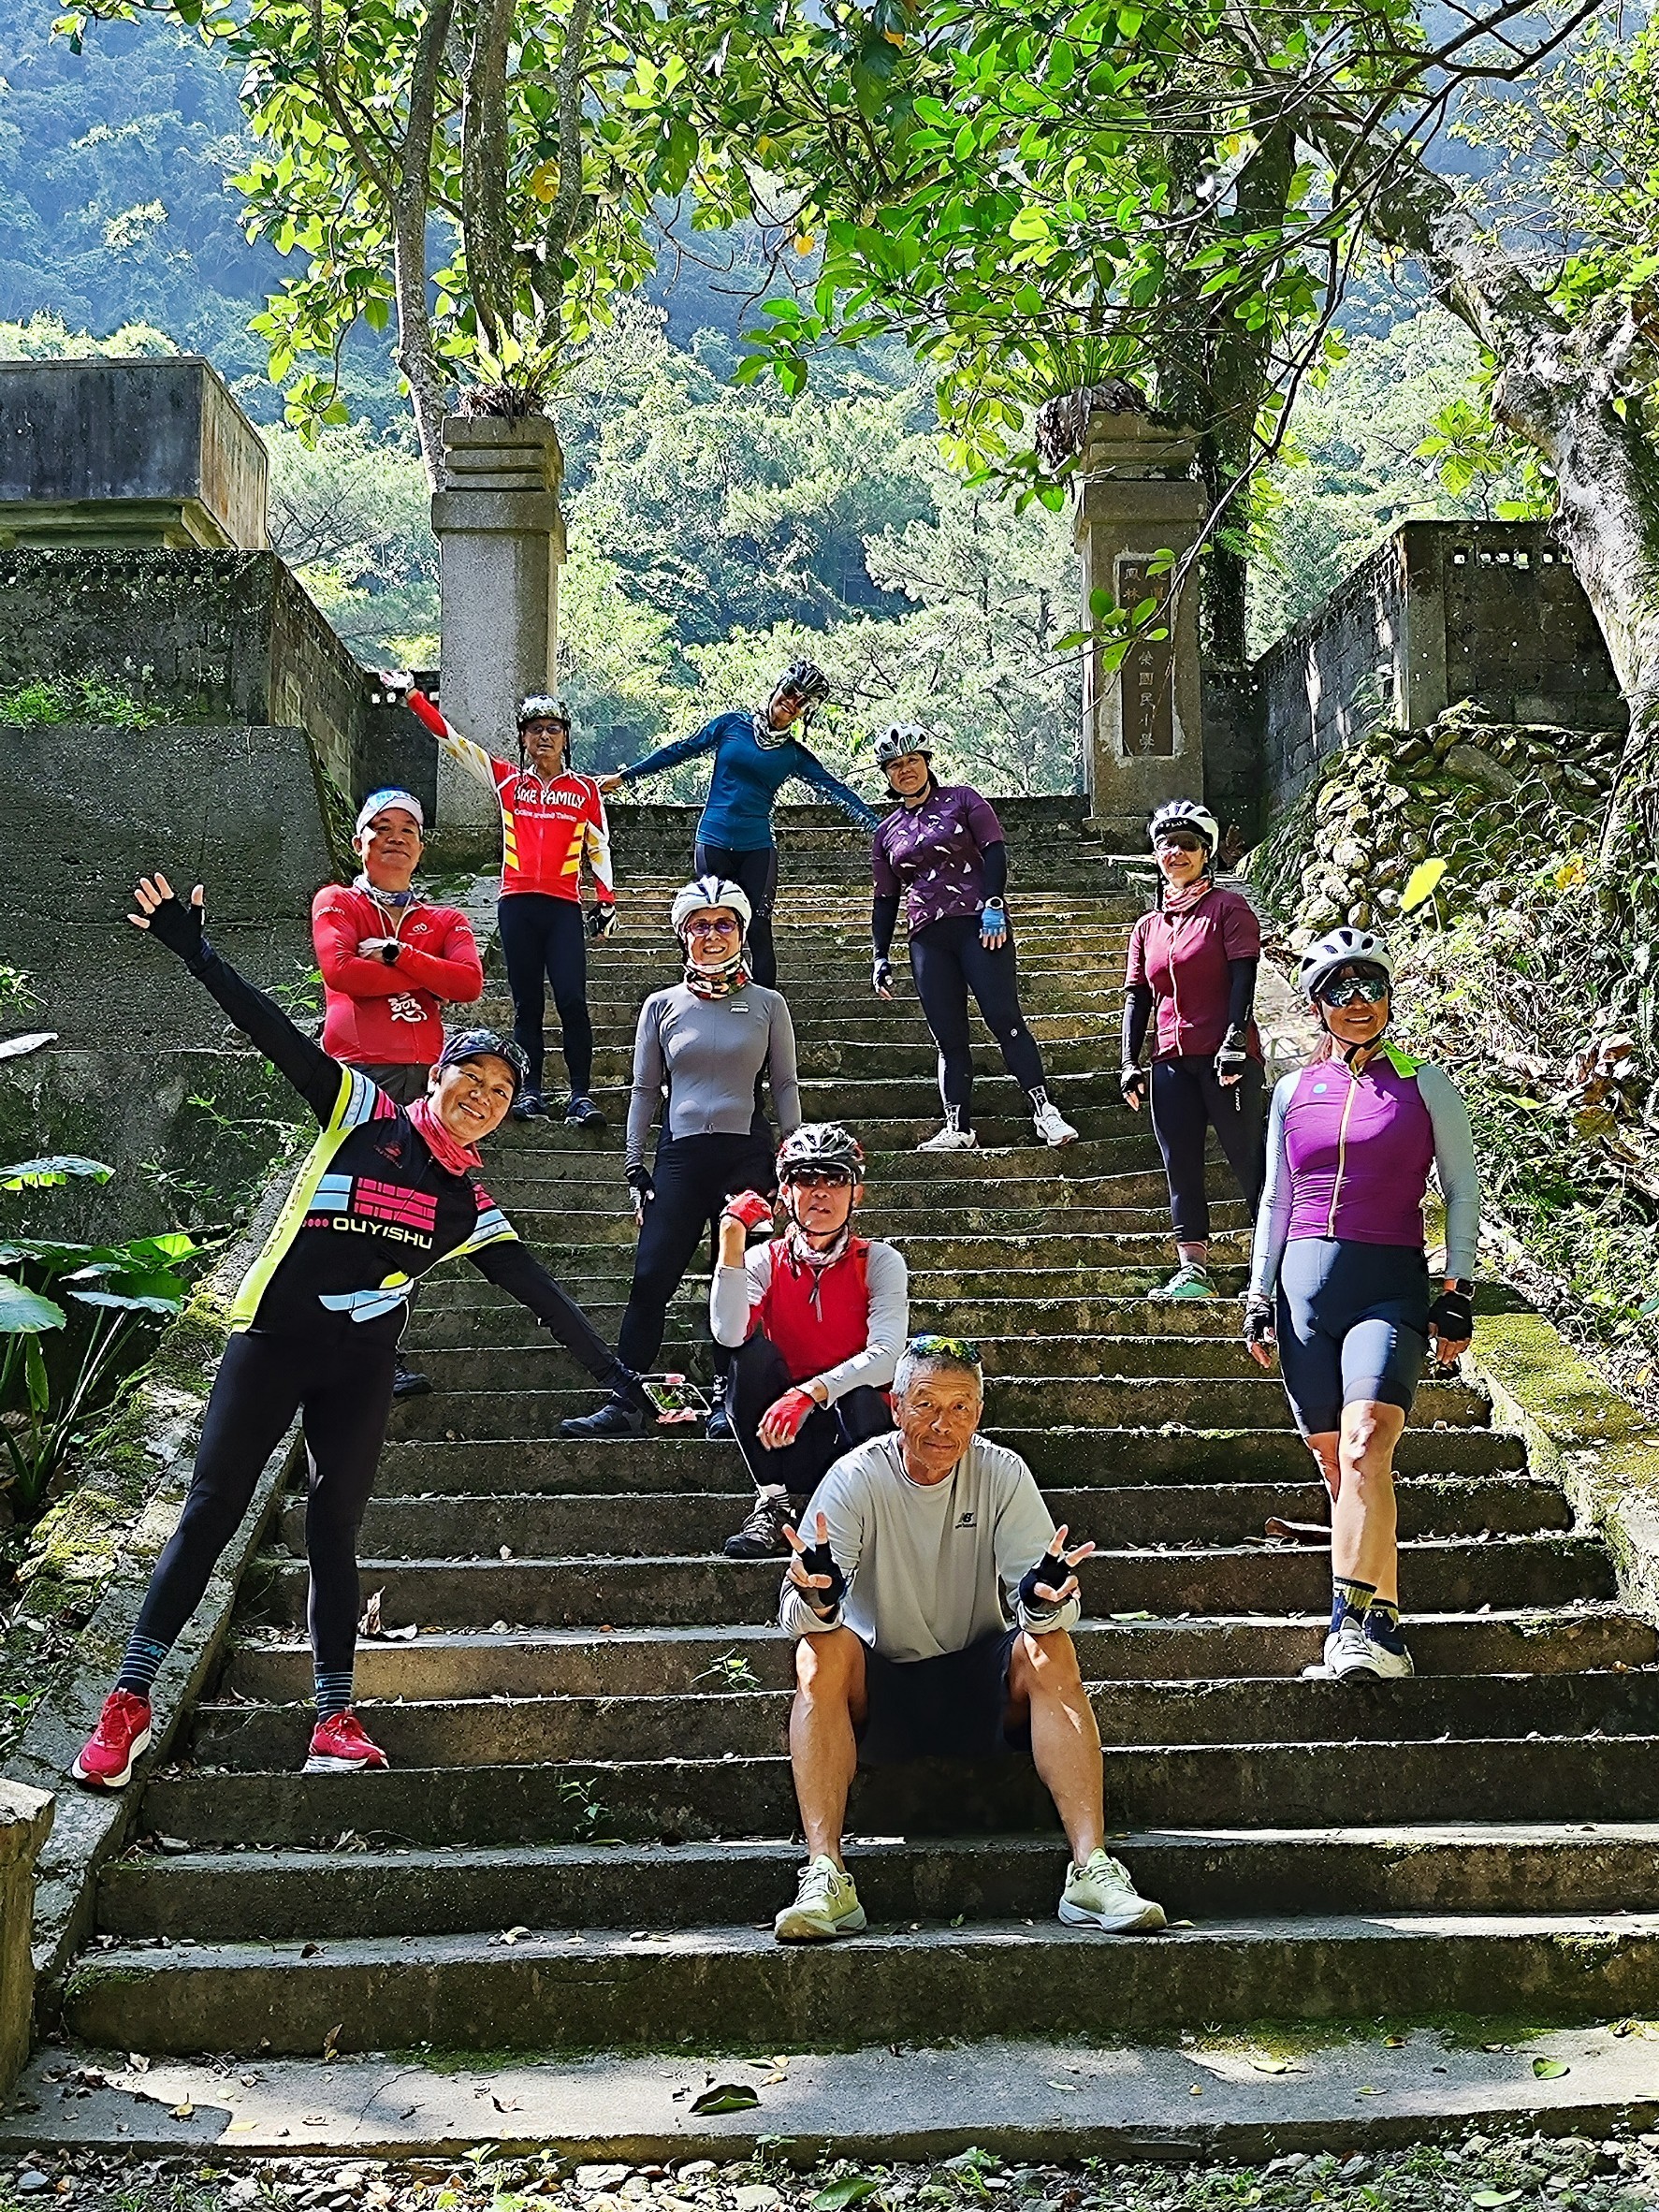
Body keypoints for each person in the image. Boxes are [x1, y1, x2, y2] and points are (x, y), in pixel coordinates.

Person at [71, 874, 648, 1795]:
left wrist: (619, 1375)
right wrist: (197, 952)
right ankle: (128, 1700)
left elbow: (542, 1295)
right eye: (473, 1078)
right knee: (213, 1508)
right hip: (274, 1337)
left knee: (334, 1528)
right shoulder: (362, 1113)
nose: (485, 1097)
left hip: (361, 1366)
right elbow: (275, 1034)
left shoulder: (469, 1204)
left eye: (503, 1091)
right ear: (436, 1074)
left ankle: (332, 1718)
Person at [774, 1334, 1166, 1942]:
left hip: (981, 1685)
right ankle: (826, 1872)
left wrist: (1042, 1602)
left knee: (1051, 1647)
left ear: (978, 1414)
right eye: (926, 1404)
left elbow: (1043, 1598)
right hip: (882, 1689)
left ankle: (1091, 1868)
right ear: (895, 1406)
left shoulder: (1001, 1473)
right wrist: (820, 1600)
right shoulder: (854, 1477)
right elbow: (798, 1606)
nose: (943, 1424)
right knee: (818, 1650)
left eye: (960, 1407)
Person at [1244, 925, 1480, 1682]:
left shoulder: (1424, 1084)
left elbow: (1461, 1190)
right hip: (1303, 1289)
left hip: (1388, 1283)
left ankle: (1347, 1625)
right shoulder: (1292, 1091)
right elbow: (1276, 1198)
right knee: (1336, 1465)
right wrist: (1257, 1294)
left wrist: (1457, 1289)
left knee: (1366, 1443)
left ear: (1388, 999)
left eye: (1370, 987)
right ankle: (1387, 1628)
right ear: (1315, 1005)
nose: (1358, 1002)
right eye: (1339, 990)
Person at [560, 876, 802, 1440]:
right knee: (650, 1276)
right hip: (679, 1158)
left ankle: (729, 1399)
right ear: (682, 935)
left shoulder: (769, 1004)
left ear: (742, 932)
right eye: (700, 925)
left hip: (747, 1158)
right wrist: (633, 1164)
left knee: (735, 1281)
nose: (712, 934)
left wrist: (792, 1162)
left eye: (725, 924)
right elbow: (644, 1090)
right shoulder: (661, 1005)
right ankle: (625, 1401)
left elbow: (785, 1085)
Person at [312, 786, 486, 1399]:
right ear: (358, 841)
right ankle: (344, 1351)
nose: (394, 838)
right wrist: (423, 974)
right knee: (353, 1213)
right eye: (380, 827)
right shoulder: (338, 901)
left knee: (407, 1220)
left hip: (427, 1085)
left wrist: (394, 954)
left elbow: (467, 984)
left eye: (407, 829)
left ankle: (381, 1351)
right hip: (361, 1076)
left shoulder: (445, 920)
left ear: (421, 848)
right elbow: (340, 971)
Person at [393, 679, 616, 1128]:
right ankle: (530, 1092)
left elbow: (599, 846)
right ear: (523, 738)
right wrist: (415, 698)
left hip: (563, 907)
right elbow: (454, 743)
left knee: (572, 999)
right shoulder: (507, 781)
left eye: (553, 728)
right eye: (535, 729)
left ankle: (580, 1095)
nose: (544, 736)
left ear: (566, 737)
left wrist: (605, 901)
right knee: (526, 1003)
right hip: (516, 905)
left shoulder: (585, 791)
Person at [598, 662, 880, 989]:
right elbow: (681, 750)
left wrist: (880, 828)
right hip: (713, 839)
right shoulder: (731, 724)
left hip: (756, 847)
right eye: (790, 692)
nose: (792, 702)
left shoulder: (793, 755)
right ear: (778, 688)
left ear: (805, 712)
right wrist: (626, 776)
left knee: (758, 928)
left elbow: (835, 790)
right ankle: (701, 994)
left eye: (802, 702)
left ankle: (766, 1007)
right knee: (704, 918)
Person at [870, 726, 1077, 1152]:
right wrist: (880, 955)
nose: (905, 770)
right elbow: (885, 896)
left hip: (978, 923)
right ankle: (958, 1126)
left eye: (912, 760)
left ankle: (1045, 1111)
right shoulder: (886, 830)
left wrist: (995, 904)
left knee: (1004, 1017)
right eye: (895, 765)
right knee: (948, 1036)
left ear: (927, 762)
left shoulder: (962, 799)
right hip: (927, 935)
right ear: (887, 775)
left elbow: (994, 849)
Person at [713, 1123, 907, 1559]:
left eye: (835, 1178)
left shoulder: (879, 1260)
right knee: (748, 1358)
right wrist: (731, 1237)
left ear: (856, 1193)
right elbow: (728, 1332)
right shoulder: (765, 1259)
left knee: (861, 1395)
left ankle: (865, 1514)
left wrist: (808, 1393)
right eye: (805, 1178)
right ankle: (773, 1503)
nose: (820, 1191)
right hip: (783, 1436)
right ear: (785, 1192)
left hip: (853, 1430)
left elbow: (888, 1356)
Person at [1120, 799, 1266, 1300]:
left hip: (1225, 1057)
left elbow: (1244, 976)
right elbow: (1138, 996)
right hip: (1168, 1060)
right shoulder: (1148, 927)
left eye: (1187, 844)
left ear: (1207, 853)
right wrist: (1129, 1062)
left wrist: (1234, 1039)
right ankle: (1193, 1269)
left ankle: (1276, 1262)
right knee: (1180, 1164)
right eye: (1166, 845)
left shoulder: (1229, 909)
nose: (1176, 853)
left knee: (1249, 1159)